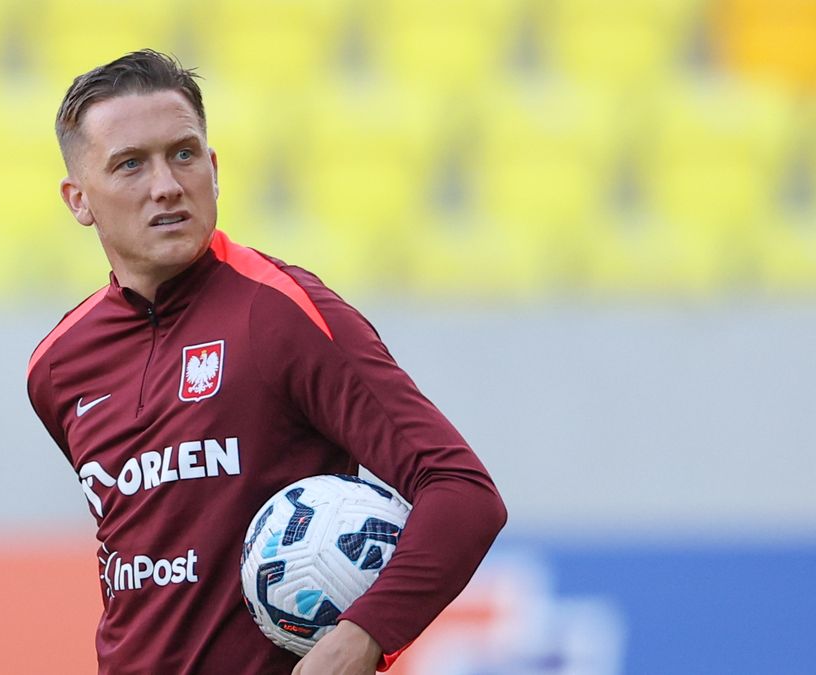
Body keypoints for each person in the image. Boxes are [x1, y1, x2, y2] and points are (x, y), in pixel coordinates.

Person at [26, 49, 507, 675]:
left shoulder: (279, 315)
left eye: (183, 153)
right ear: (79, 199)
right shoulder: (58, 367)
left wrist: (362, 636)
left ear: (214, 167)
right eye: (129, 165)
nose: (167, 184)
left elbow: (462, 494)